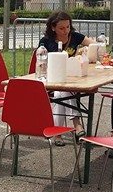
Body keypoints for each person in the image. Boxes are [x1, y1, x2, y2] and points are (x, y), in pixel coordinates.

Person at [37, 11, 93, 145]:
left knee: (60, 93)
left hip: (70, 76)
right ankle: (76, 123)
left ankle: (57, 134)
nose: (66, 31)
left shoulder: (74, 36)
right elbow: (40, 61)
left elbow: (92, 44)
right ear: (53, 27)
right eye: (61, 28)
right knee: (63, 91)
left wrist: (85, 51)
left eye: (68, 27)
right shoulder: (45, 42)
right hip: (51, 77)